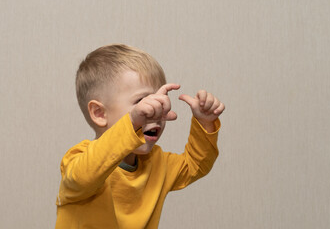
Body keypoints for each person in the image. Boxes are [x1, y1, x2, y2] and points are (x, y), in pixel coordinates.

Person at [55, 44, 225, 228]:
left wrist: (205, 122)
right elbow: (84, 177)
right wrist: (133, 122)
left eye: (160, 100)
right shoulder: (78, 159)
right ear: (99, 113)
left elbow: (195, 165)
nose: (156, 110)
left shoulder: (157, 162)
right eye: (143, 102)